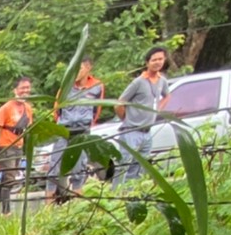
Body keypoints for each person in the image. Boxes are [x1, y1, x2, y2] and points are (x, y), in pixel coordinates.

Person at [46, 58, 104, 203]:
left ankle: (77, 204)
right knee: (54, 168)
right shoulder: (66, 87)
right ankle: (48, 206)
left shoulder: (97, 86)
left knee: (79, 169)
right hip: (64, 131)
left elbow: (97, 110)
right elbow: (56, 110)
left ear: (88, 68)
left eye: (80, 69)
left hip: (82, 132)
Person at [114, 46, 170, 183]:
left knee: (139, 169)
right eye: (154, 60)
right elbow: (119, 103)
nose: (157, 62)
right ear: (147, 62)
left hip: (147, 132)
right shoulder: (138, 82)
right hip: (131, 131)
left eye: (160, 59)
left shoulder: (162, 81)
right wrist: (126, 119)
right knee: (124, 167)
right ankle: (117, 196)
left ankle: (133, 198)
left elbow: (167, 96)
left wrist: (158, 110)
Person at [0, 76, 33, 213]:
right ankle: (6, 211)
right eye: (22, 88)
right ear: (15, 90)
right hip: (6, 146)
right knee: (9, 179)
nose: (25, 91)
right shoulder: (6, 108)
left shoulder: (28, 108)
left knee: (5, 178)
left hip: (18, 147)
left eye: (27, 88)